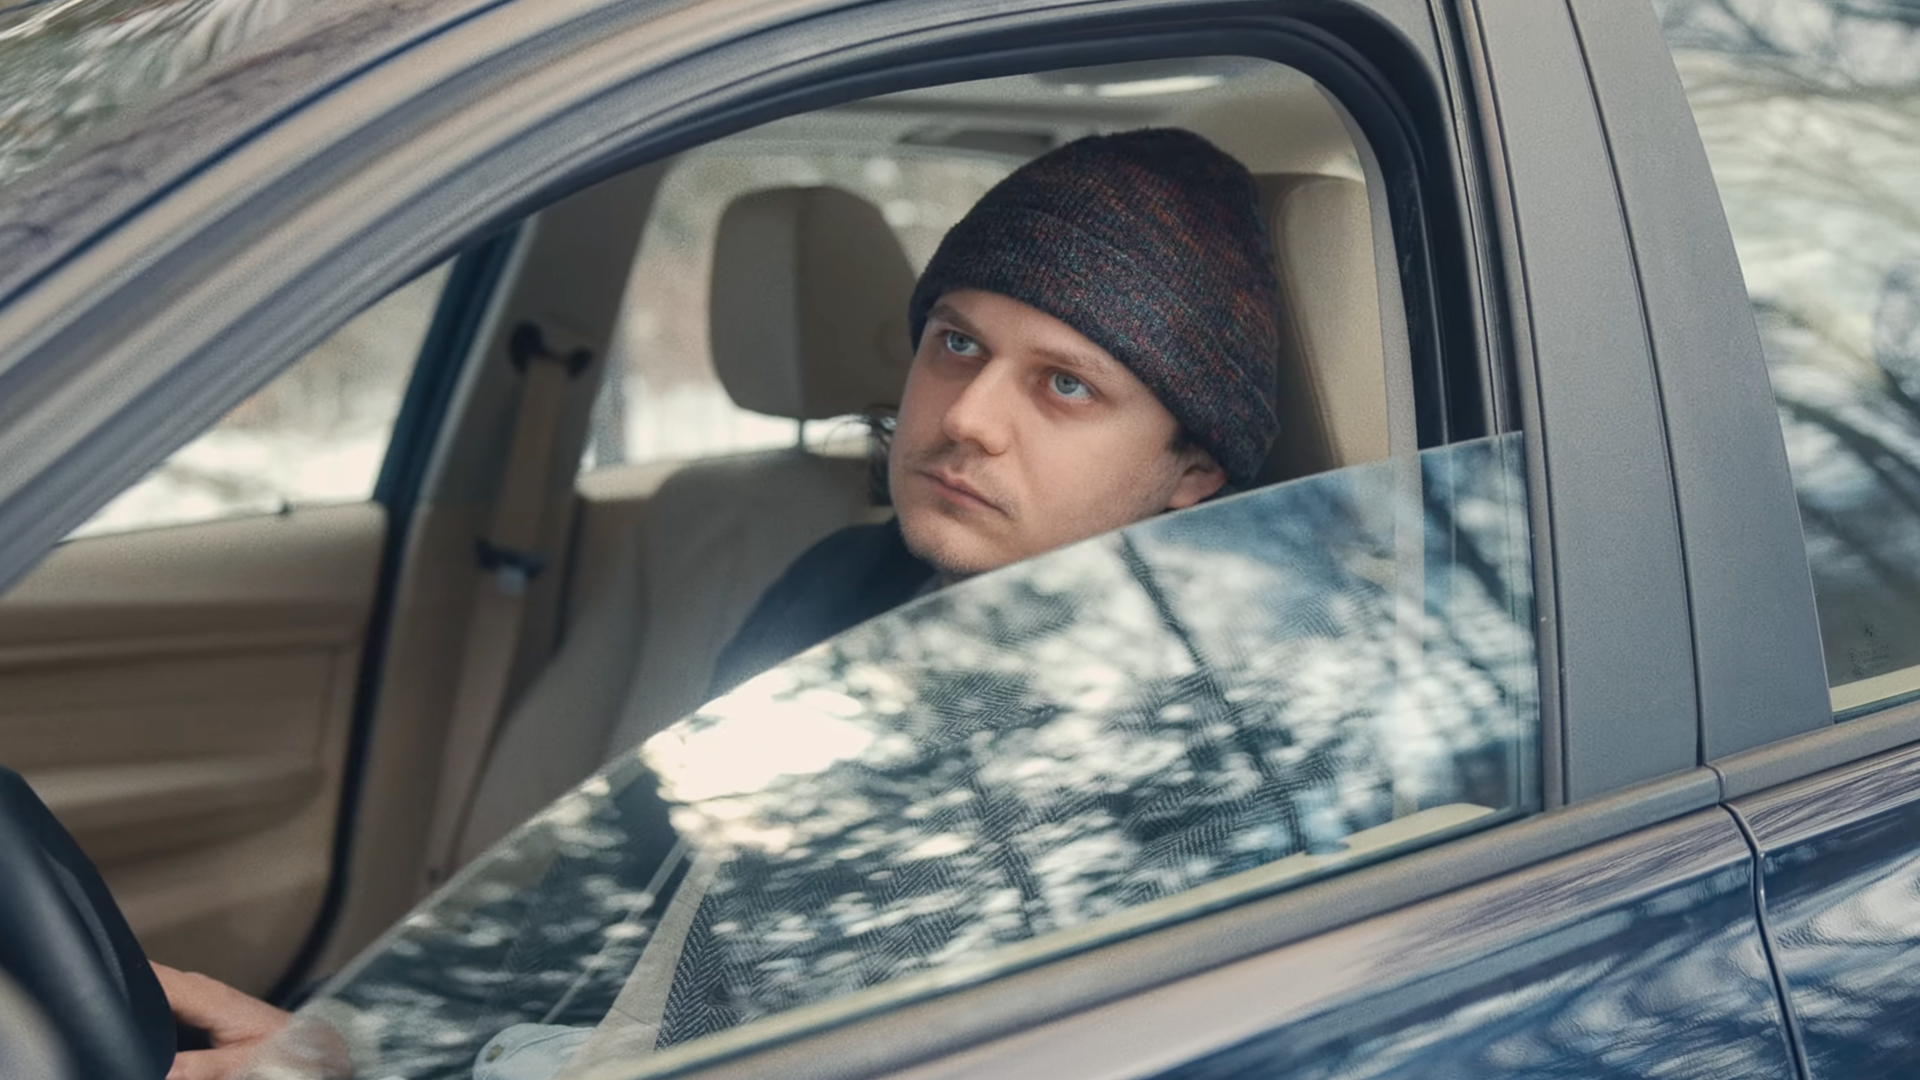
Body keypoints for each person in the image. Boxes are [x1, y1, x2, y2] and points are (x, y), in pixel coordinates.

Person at [160, 125, 1283, 1080]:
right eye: (957, 343)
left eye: (1066, 384)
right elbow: (632, 889)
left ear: (1190, 476)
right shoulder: (842, 584)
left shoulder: (1199, 751)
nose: (968, 416)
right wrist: (358, 1048)